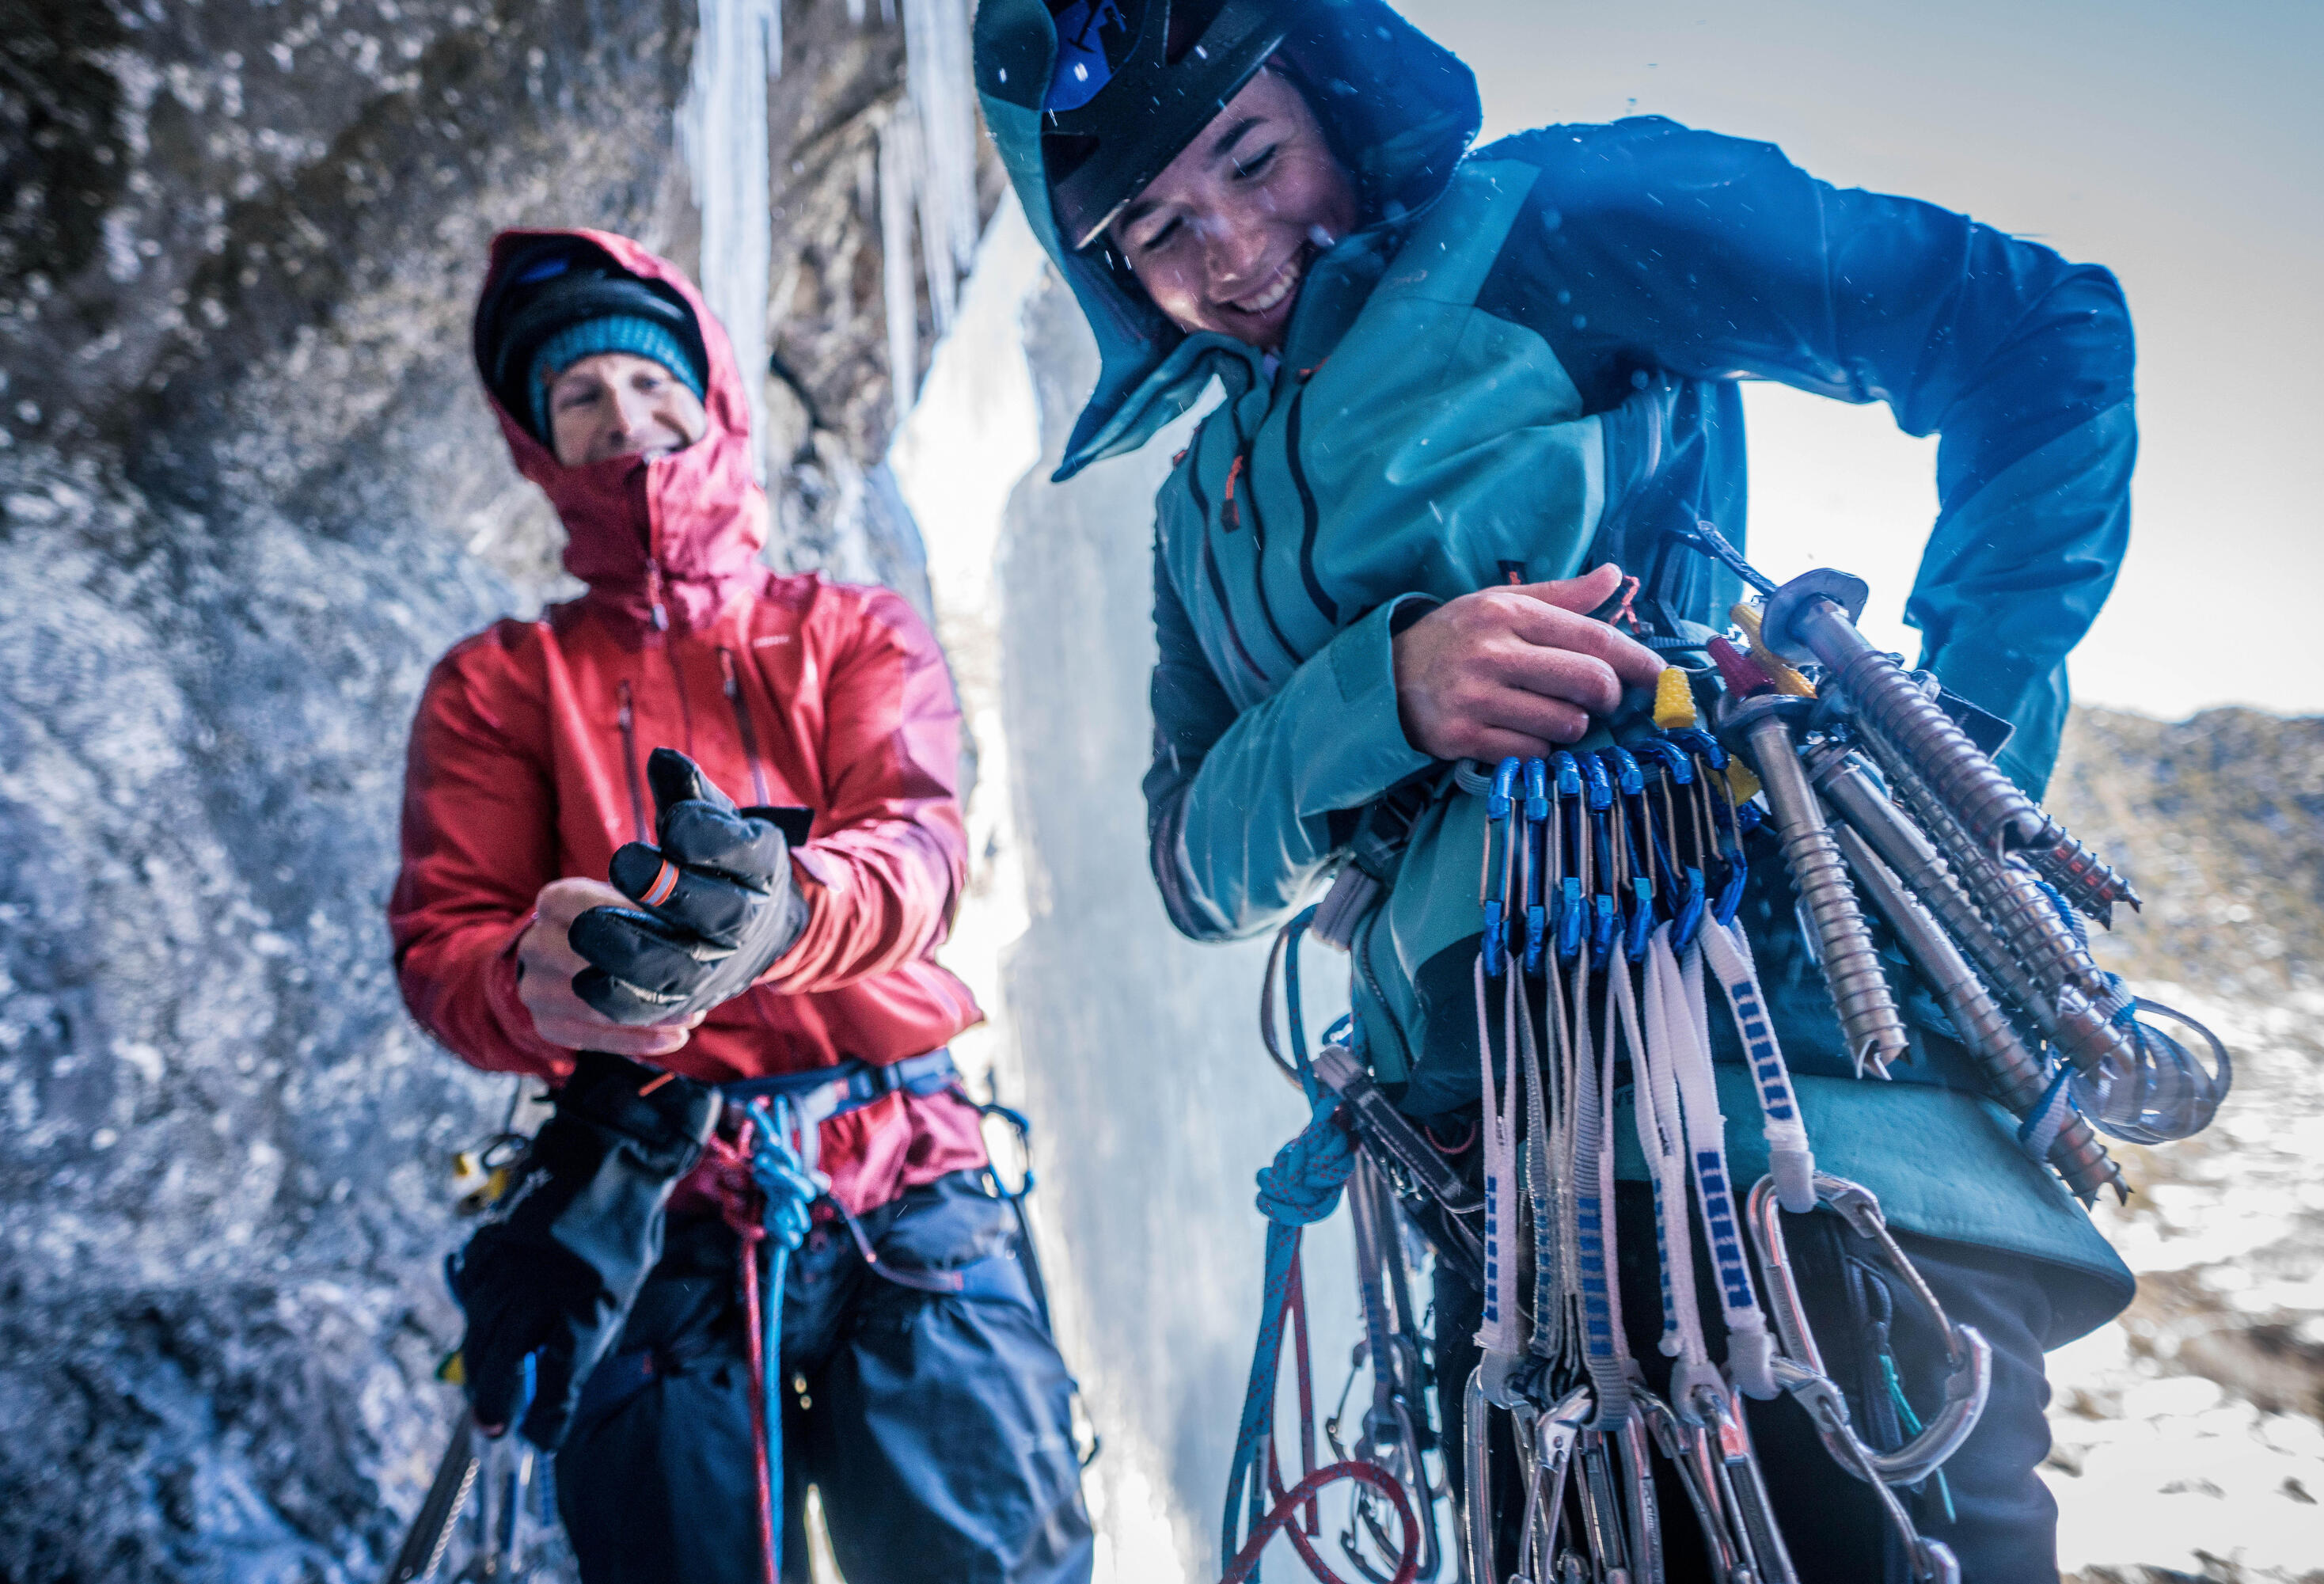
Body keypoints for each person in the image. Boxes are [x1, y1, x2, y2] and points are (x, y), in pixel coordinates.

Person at [973, 2, 2139, 1578]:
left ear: (1334, 102)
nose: (1230, 251)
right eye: (1159, 231)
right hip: (1497, 1225)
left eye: (1252, 158)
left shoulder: (1548, 224)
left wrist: (1952, 767)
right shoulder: (1199, 517)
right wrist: (1382, 692)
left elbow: (2034, 329)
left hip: (1785, 1121)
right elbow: (1194, 865)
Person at [389, 226, 1094, 1584]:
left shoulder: (853, 631)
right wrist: (538, 981)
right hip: (656, 1193)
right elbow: (447, 942)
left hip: (902, 1166)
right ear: (540, 443)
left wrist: (792, 914)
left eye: (648, 382)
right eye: (579, 394)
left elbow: (918, 848)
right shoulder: (497, 686)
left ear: (708, 395)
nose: (622, 415)